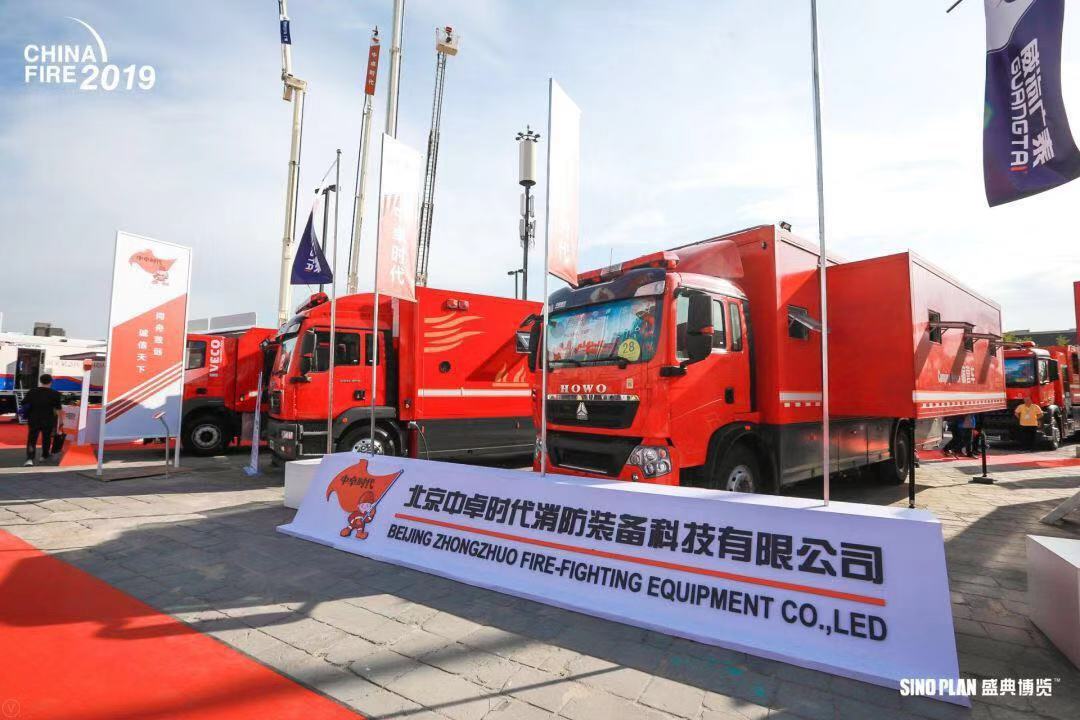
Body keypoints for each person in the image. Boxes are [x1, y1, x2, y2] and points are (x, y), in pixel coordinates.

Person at [22, 374, 62, 466]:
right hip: (48, 419)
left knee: (32, 439)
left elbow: (24, 403)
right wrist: (61, 421)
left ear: (40, 381)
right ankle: (44, 456)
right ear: (51, 382)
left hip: (33, 418)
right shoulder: (55, 393)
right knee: (46, 438)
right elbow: (58, 409)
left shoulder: (32, 391)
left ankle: (30, 459)